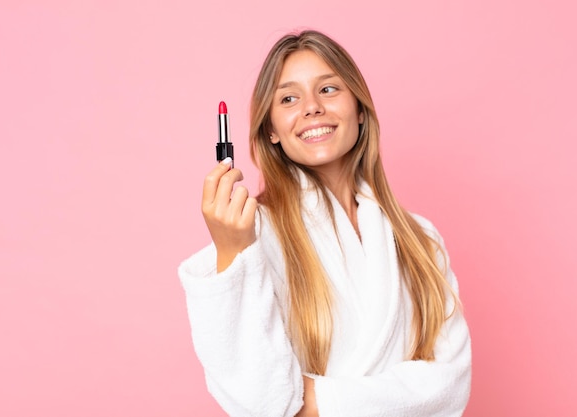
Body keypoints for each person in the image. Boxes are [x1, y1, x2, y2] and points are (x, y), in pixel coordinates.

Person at [178, 29, 471, 417]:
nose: (312, 107)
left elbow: (449, 389)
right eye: (288, 98)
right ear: (271, 130)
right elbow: (262, 400)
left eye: (329, 89)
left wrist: (315, 401)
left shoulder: (422, 241)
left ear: (360, 109)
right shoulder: (253, 235)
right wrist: (232, 254)